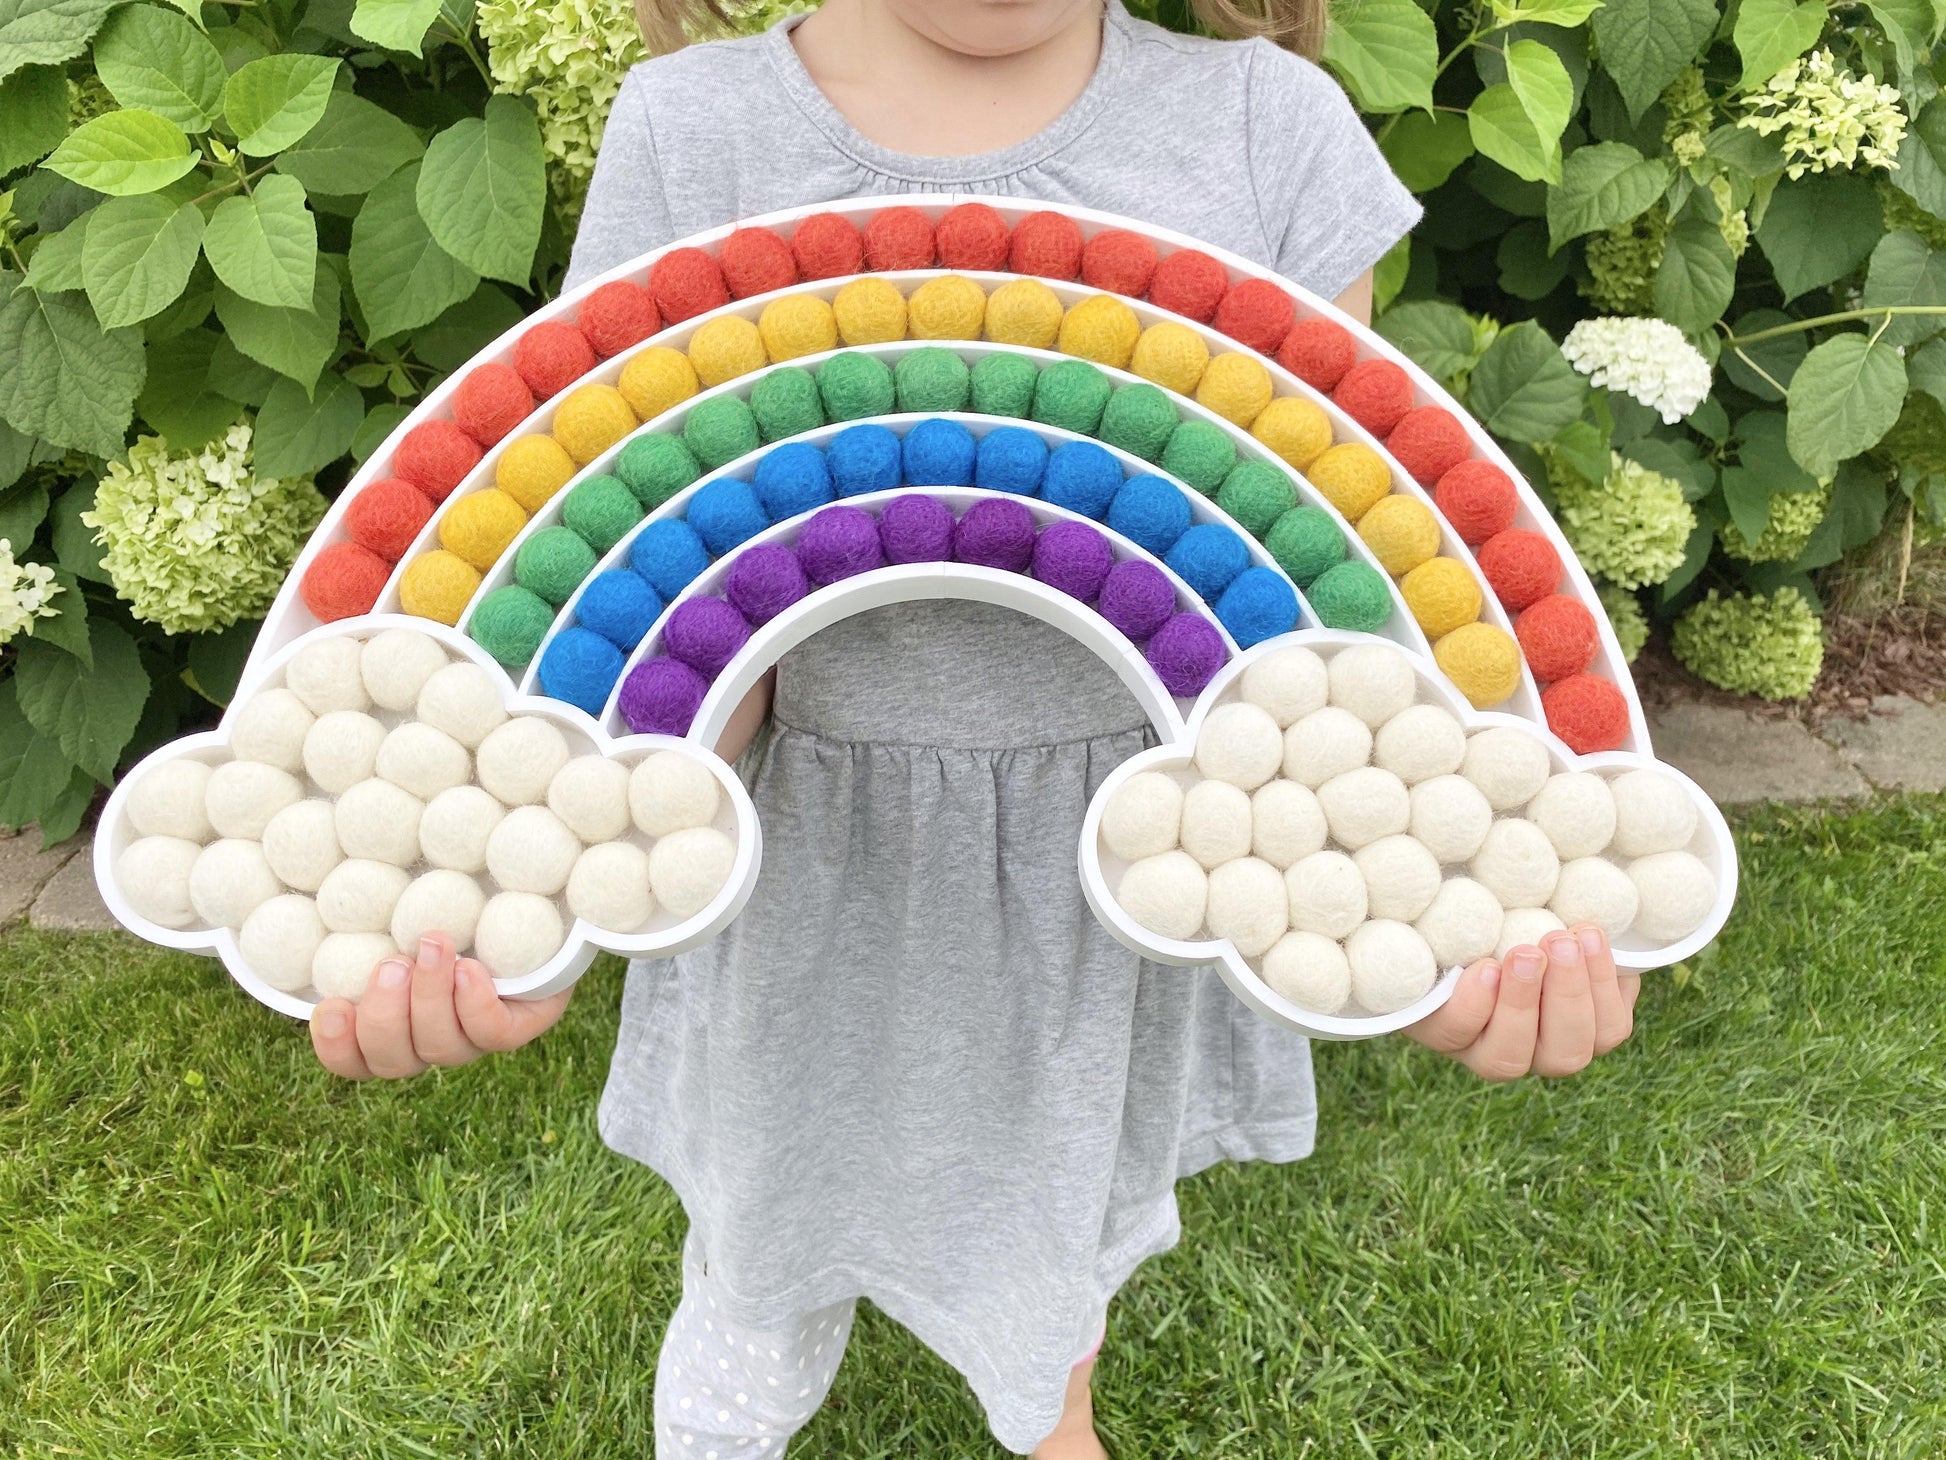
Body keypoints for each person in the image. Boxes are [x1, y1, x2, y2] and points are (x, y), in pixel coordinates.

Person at [310, 0, 1644, 1454]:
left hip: (1118, 862)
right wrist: (538, 883)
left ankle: (1045, 1399)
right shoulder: (695, 131)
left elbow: (1322, 580)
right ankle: (739, 1376)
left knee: (1060, 1232)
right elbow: (652, 570)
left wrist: (1435, 912)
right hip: (807, 859)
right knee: (763, 1230)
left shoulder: (1269, 129)